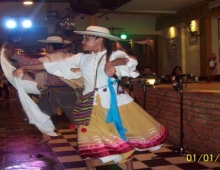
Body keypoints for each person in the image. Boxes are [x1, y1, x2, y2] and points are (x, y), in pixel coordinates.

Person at [13, 26, 169, 170]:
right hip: (88, 104)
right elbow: (53, 66)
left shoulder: (113, 54)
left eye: (87, 38)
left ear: (99, 40)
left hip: (113, 104)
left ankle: (129, 168)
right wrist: (24, 67)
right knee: (85, 138)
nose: (83, 41)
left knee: (121, 136)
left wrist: (111, 63)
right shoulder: (81, 58)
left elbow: (128, 59)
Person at [4, 36, 79, 145]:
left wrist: (15, 56)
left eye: (47, 46)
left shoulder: (52, 58)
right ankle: (46, 134)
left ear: (51, 46)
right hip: (59, 91)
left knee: (75, 117)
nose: (46, 48)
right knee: (40, 111)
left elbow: (32, 64)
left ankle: (88, 138)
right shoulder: (71, 56)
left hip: (62, 92)